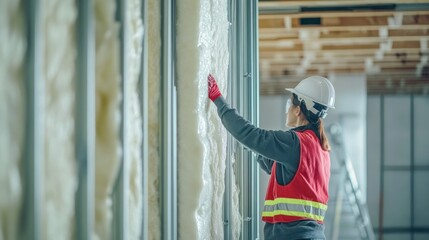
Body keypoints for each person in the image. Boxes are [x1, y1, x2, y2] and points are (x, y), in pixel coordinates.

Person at [208, 74, 335, 240]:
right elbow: (274, 165)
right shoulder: (320, 147)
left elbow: (251, 135)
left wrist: (218, 99)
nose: (287, 108)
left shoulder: (295, 142)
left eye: (290, 104)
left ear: (298, 110)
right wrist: (256, 147)